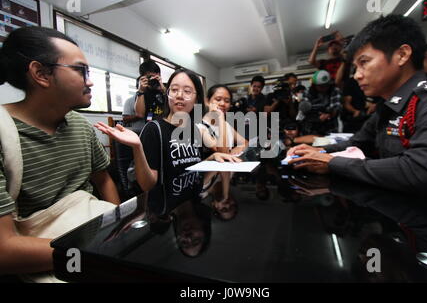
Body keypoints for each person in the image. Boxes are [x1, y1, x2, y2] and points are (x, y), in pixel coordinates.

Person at [0, 26, 120, 277]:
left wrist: (117, 227)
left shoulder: (80, 125)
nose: (90, 81)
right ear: (41, 74)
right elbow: (5, 250)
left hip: (94, 237)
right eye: (80, 70)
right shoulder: (3, 133)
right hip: (50, 256)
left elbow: (104, 179)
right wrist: (101, 252)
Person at [288, 14, 427, 198]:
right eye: (355, 68)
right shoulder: (387, 107)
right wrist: (318, 151)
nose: (357, 75)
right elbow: (357, 143)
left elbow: (426, 170)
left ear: (402, 55)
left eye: (364, 63)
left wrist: (331, 163)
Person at [95, 69, 241, 197]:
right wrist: (137, 147)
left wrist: (212, 158)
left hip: (186, 200)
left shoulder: (196, 129)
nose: (180, 95)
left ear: (197, 98)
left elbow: (192, 176)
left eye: (187, 91)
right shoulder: (154, 129)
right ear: (167, 94)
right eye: (174, 89)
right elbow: (148, 186)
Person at [200, 85, 247, 220]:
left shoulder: (203, 192)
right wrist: (220, 118)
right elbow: (223, 152)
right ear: (208, 101)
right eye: (218, 99)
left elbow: (246, 142)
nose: (222, 103)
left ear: (214, 206)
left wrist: (239, 147)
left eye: (226, 100)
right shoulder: (200, 127)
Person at [299, 70, 342, 136]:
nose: (324, 88)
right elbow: (304, 111)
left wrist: (329, 114)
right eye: (320, 86)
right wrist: (316, 117)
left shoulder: (335, 90)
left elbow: (336, 107)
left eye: (326, 85)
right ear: (314, 85)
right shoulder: (307, 92)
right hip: (311, 129)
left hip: (331, 128)